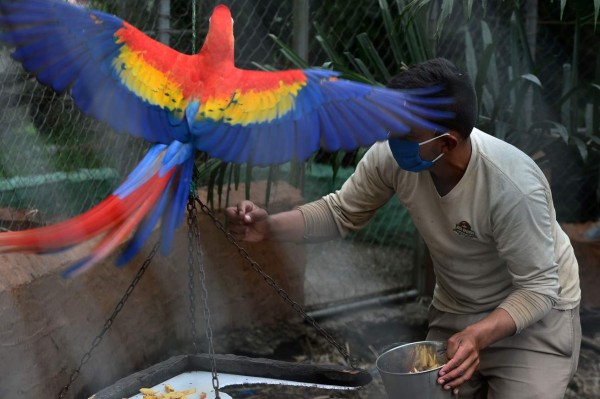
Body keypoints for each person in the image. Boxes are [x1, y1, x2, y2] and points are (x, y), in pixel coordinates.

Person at [225, 58, 581, 398]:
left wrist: (478, 336)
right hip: (458, 307)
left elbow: (538, 287)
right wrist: (270, 226)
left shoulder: (512, 186)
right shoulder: (394, 155)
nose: (391, 135)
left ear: (447, 142)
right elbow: (340, 211)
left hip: (535, 319)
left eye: (404, 130)